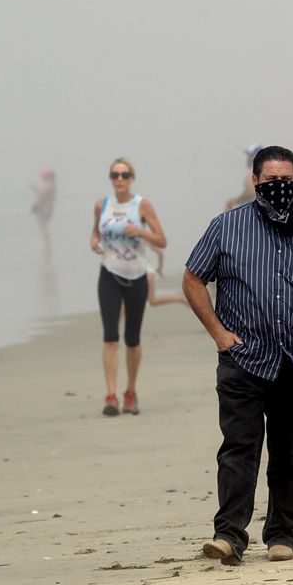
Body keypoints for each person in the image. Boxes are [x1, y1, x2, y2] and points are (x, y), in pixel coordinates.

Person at [182, 145, 293, 566]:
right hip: (243, 359)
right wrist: (219, 334)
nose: (280, 187)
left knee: (287, 453)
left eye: (287, 181)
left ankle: (281, 535)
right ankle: (229, 535)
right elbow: (192, 279)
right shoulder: (226, 227)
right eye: (272, 180)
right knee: (238, 447)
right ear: (254, 180)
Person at [90, 158, 167, 417]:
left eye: (124, 175)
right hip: (109, 274)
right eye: (115, 174)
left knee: (132, 338)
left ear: (132, 177)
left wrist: (141, 232)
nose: (119, 179)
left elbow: (162, 239)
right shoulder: (102, 205)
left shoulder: (141, 205)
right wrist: (94, 241)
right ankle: (111, 395)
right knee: (110, 336)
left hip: (136, 276)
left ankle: (130, 391)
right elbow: (95, 233)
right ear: (110, 178)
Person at [225, 145, 261, 210]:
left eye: (250, 156)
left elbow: (251, 193)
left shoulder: (254, 174)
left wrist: (235, 201)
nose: (248, 158)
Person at [31, 169, 56, 256]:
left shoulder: (49, 185)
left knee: (44, 227)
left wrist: (35, 189)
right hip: (47, 209)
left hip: (45, 209)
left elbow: (41, 194)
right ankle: (47, 246)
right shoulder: (51, 184)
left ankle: (47, 247)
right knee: (44, 227)